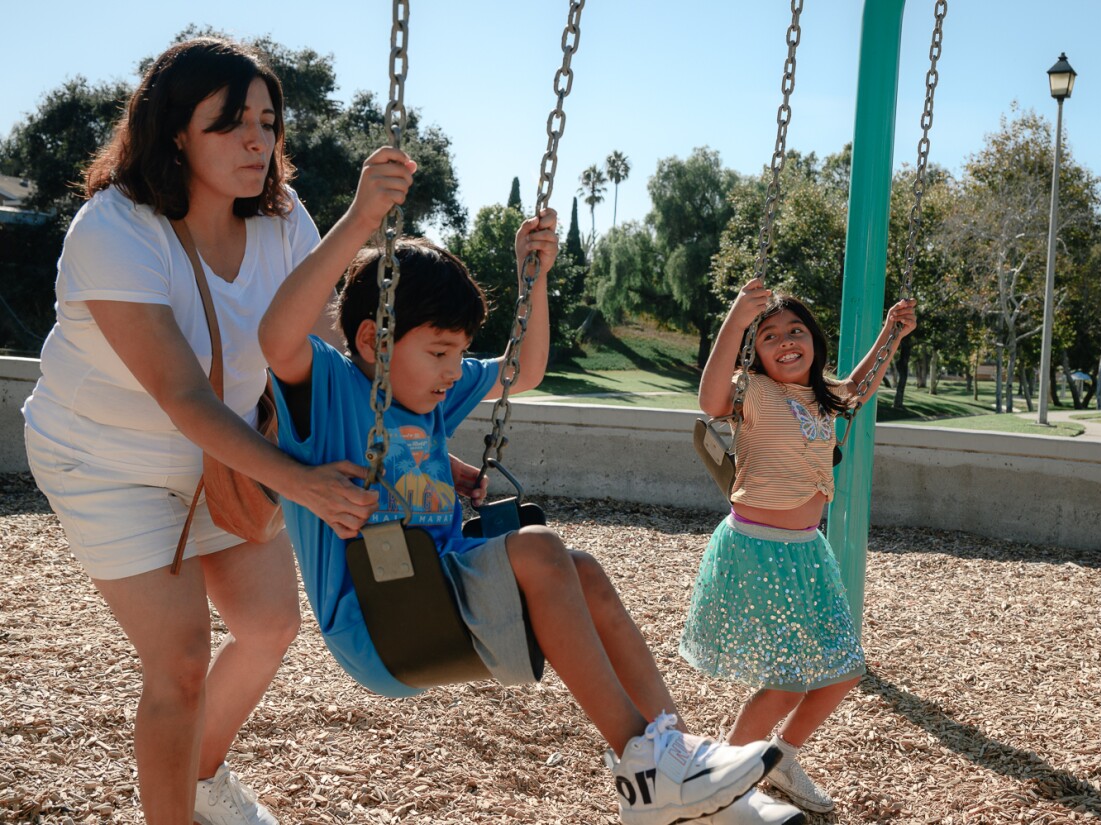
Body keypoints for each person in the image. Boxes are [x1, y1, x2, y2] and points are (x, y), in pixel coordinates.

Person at [256, 149, 801, 825]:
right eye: (439, 352)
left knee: (586, 573)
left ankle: (681, 763)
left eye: (460, 352)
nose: (455, 371)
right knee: (541, 551)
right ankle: (649, 770)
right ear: (373, 338)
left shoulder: (429, 399)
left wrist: (533, 279)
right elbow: (277, 335)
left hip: (444, 594)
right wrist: (364, 217)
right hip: (384, 616)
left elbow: (526, 367)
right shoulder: (333, 391)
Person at [20, 38, 383, 825]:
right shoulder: (113, 229)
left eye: (267, 121)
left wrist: (431, 455)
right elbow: (182, 394)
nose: (258, 140)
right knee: (181, 662)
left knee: (270, 623)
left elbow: (330, 363)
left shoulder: (286, 224)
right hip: (105, 464)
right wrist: (304, 484)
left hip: (223, 459)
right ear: (175, 131)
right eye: (230, 123)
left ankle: (202, 778)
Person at [680, 278, 917, 815]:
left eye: (795, 331)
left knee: (845, 669)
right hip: (757, 549)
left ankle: (778, 758)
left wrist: (892, 332)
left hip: (809, 551)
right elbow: (710, 399)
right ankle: (722, 782)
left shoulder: (826, 399)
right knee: (787, 683)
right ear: (756, 353)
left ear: (814, 340)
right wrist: (738, 319)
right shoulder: (754, 393)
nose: (785, 340)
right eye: (769, 336)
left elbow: (858, 387)